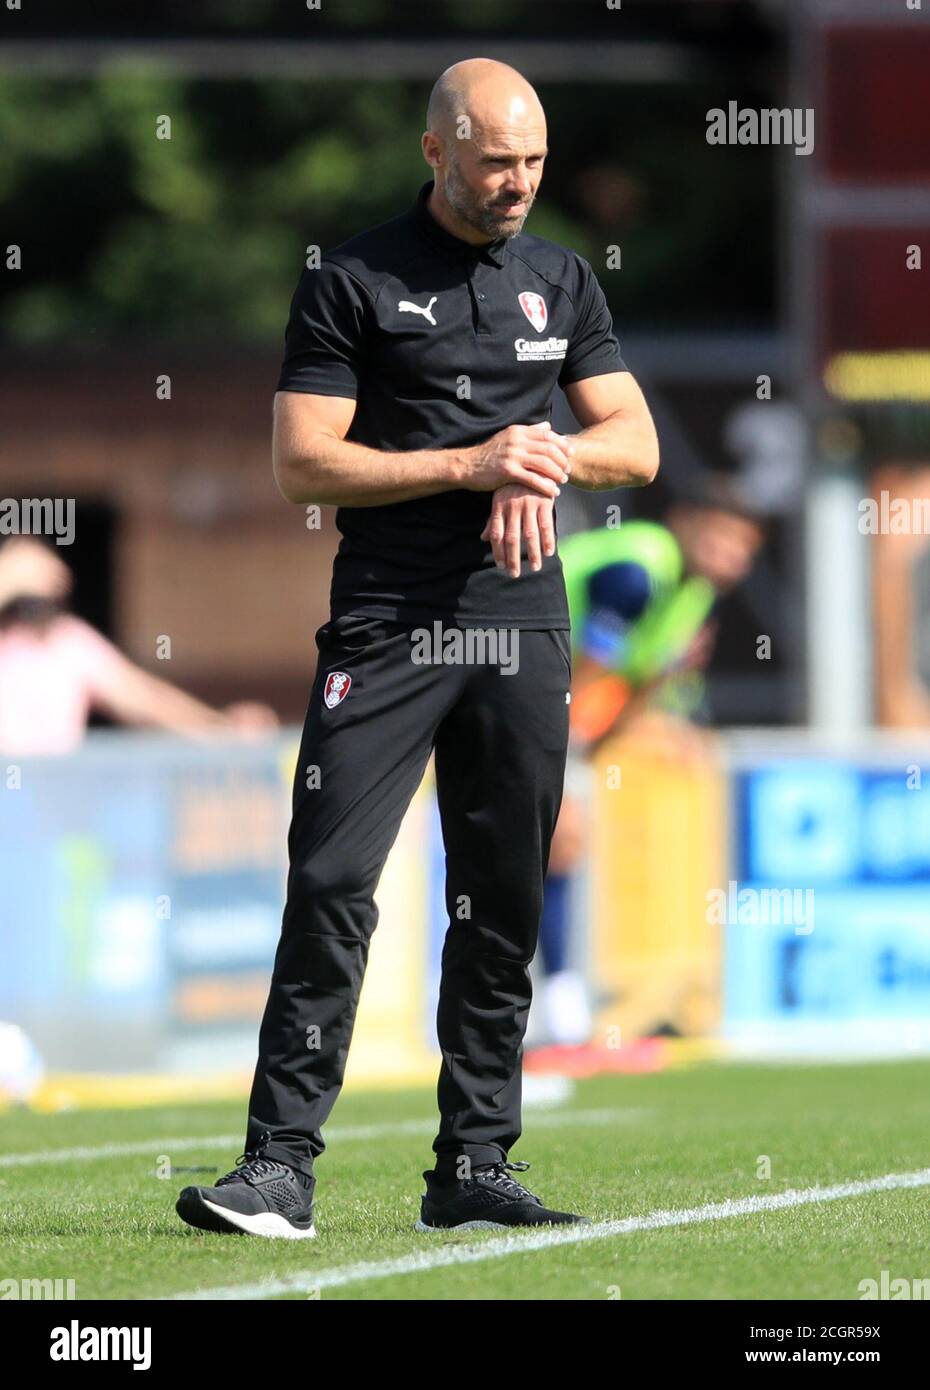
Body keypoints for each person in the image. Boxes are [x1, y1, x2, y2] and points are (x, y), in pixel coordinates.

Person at [176, 57, 658, 1240]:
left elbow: (635, 444)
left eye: (535, 161)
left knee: (501, 899)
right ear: (436, 149)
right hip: (388, 625)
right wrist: (469, 463)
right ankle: (279, 1167)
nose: (520, 183)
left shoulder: (561, 278)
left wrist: (543, 448)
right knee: (334, 880)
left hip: (522, 619)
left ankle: (476, 1163)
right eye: (498, 161)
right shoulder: (349, 279)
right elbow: (304, 460)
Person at [537, 479, 766, 1045]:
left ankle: (554, 1003)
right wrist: (558, 766)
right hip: (506, 684)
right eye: (721, 540)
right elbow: (583, 675)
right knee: (556, 838)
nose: (730, 559)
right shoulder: (638, 571)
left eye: (743, 550)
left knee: (555, 848)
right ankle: (545, 1007)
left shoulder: (693, 596)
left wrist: (656, 719)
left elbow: (629, 691)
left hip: (552, 706)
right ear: (686, 522)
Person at [0, 537, 275, 756]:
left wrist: (224, 730)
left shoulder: (68, 641)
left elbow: (146, 700)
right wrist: (8, 577)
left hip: (48, 805)